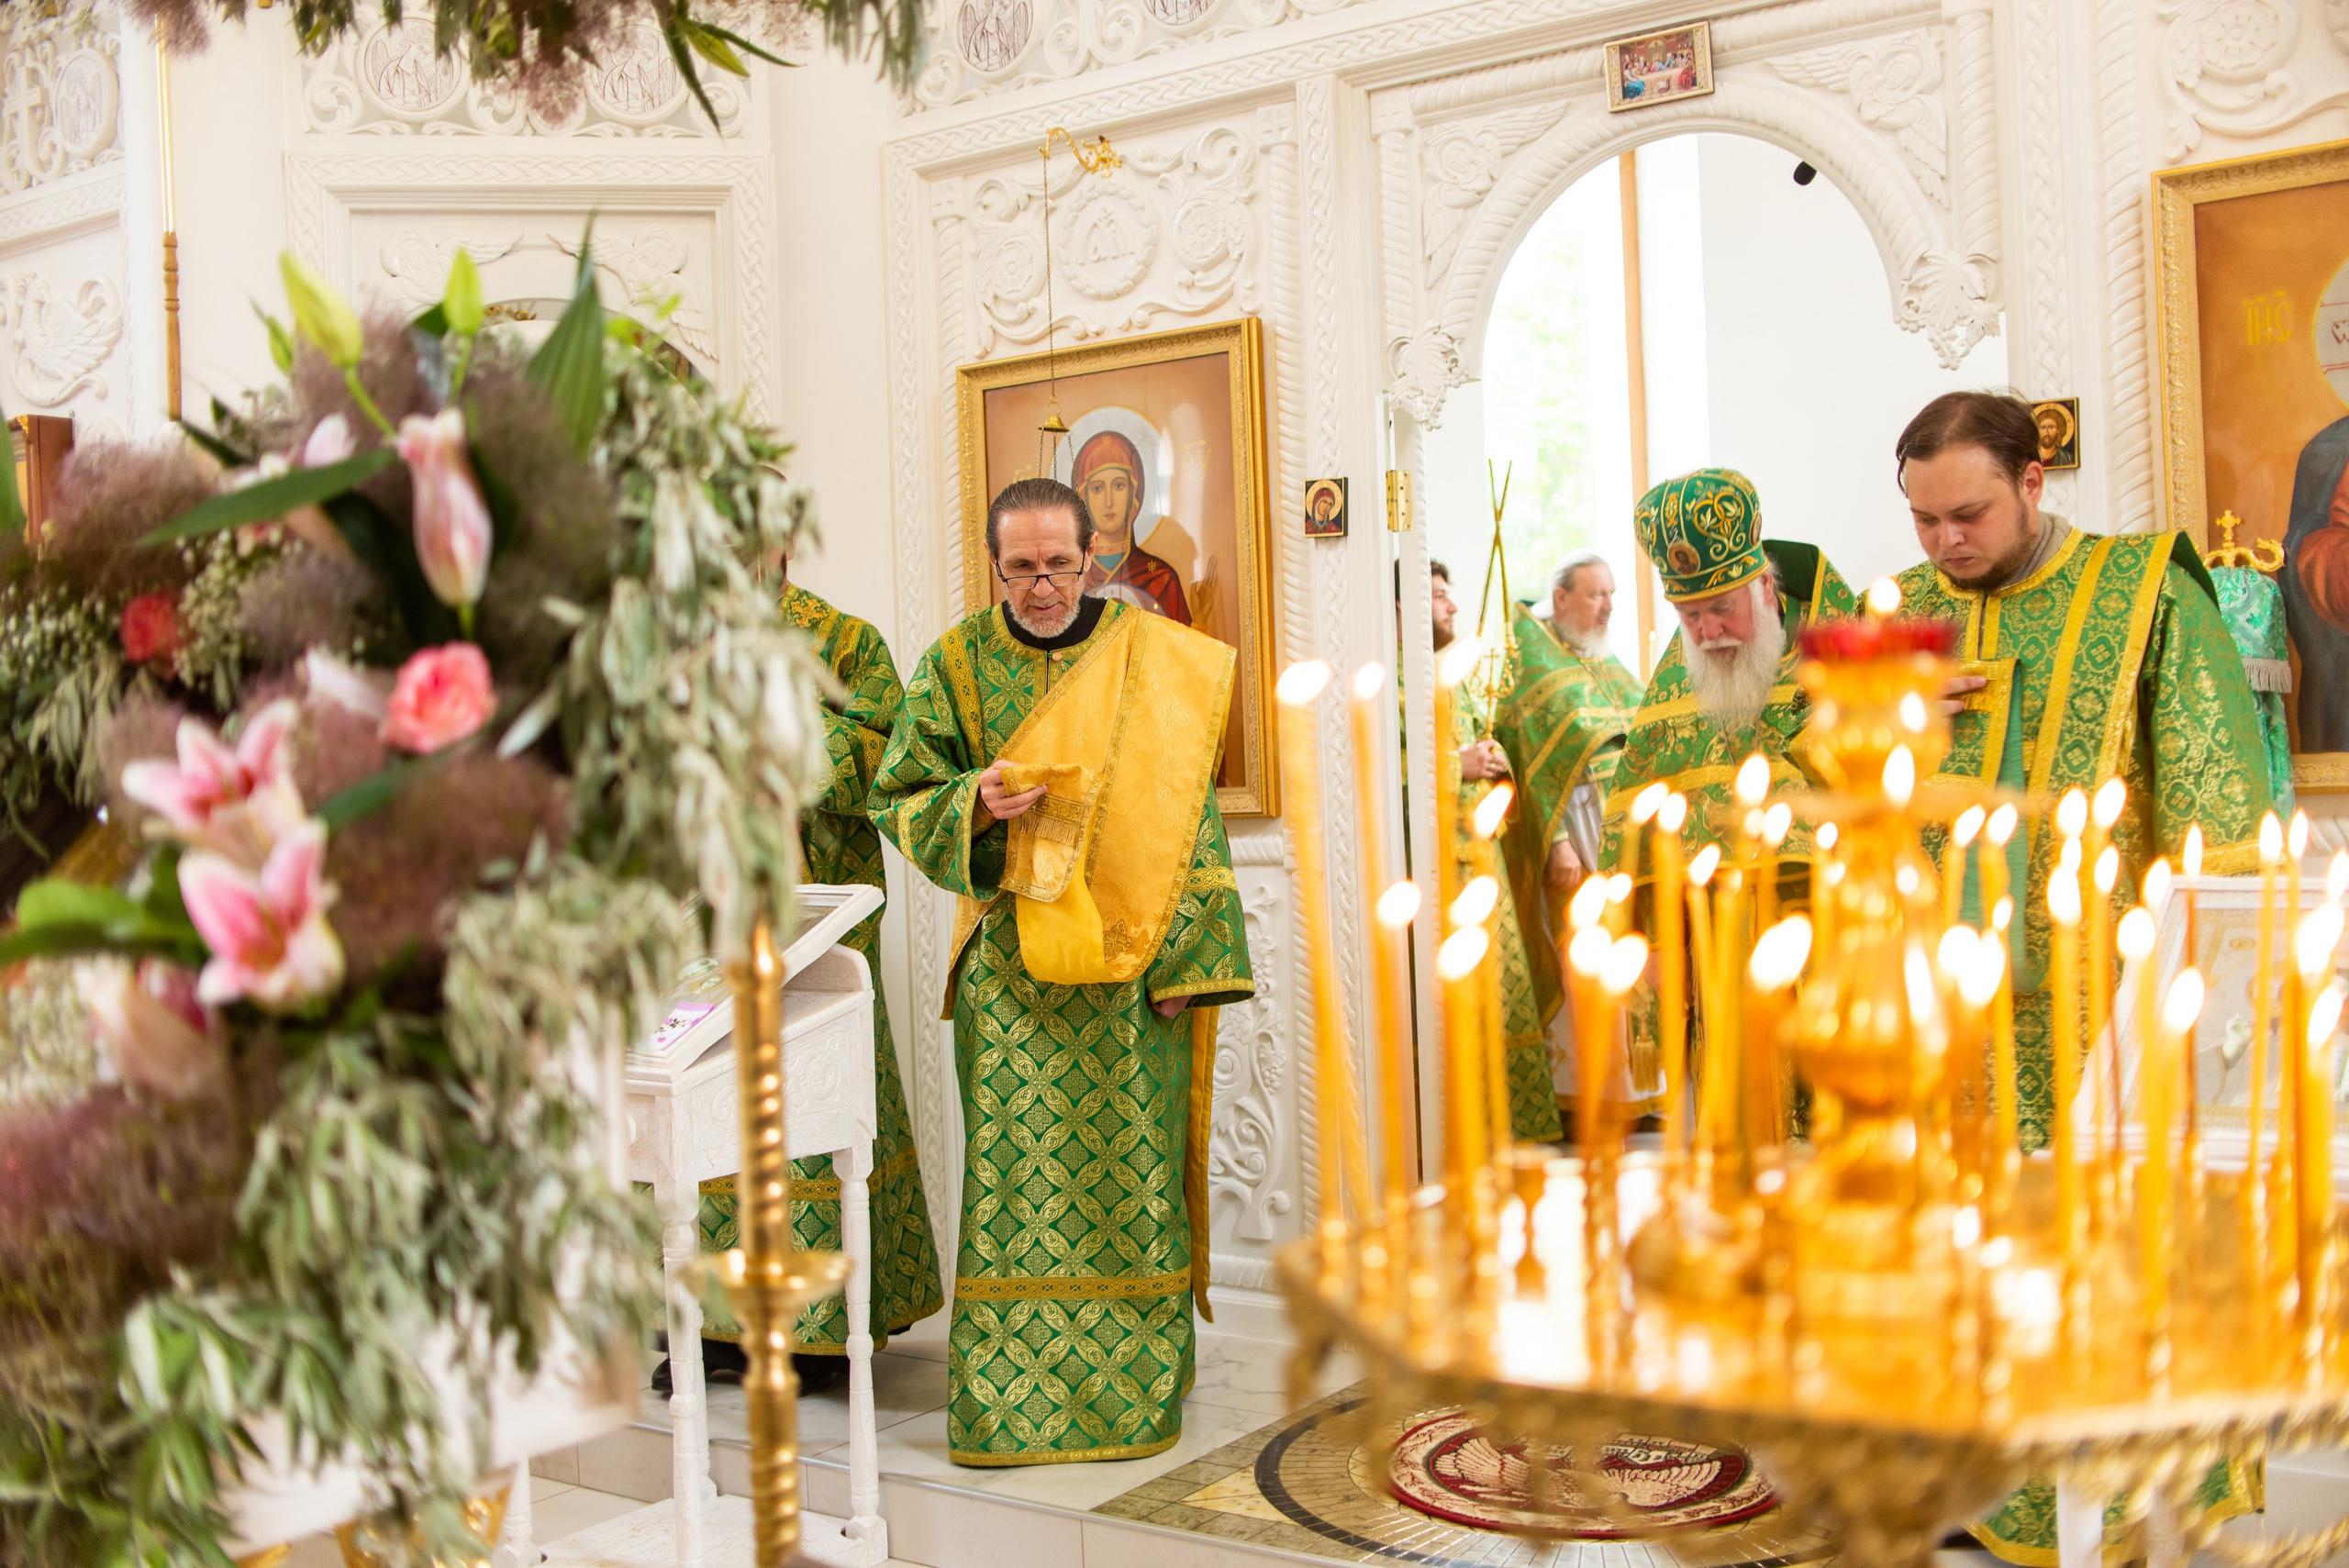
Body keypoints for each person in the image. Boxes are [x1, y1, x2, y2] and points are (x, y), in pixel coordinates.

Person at [1890, 391, 2267, 1564]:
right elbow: (1812, 783)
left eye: (1968, 513)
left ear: (2033, 480)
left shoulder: (2143, 591)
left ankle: (2108, 1503)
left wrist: (2207, 1003)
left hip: (2102, 1007)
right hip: (1939, 1012)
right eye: (1922, 519)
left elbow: (2217, 809)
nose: (1945, 541)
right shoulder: (1897, 616)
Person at [870, 476, 1252, 1466]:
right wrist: (972, 801)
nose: (1041, 586)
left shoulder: (1147, 655)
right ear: (993, 565)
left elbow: (1189, 814)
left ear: (1091, 558)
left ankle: (1135, 1388)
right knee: (1013, 1191)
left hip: (1133, 969)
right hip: (1010, 975)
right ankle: (1010, 1398)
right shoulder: (954, 664)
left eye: (1058, 565)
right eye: (1021, 568)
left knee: (1131, 1178)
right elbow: (898, 795)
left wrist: (1192, 958)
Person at [662, 560, 944, 1397]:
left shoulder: (848, 643)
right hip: (704, 917)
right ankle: (710, 1326)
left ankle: (820, 1332)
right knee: (707, 1108)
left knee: (814, 1111)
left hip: (812, 919)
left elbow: (885, 758)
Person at [1599, 470, 1855, 890]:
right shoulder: (1674, 681)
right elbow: (1634, 845)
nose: (1708, 632)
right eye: (1690, 616)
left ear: (1764, 585)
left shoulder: (1841, 652)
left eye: (1722, 608)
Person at [1489, 550, 1645, 1129]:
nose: (1607, 607)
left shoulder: (1605, 659)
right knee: (1583, 953)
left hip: (1623, 833)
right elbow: (1528, 761)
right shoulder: (1531, 663)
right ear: (1561, 598)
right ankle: (1587, 1096)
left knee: (1629, 952)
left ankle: (1639, 1091)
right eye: (1596, 594)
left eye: (1612, 595)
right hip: (1574, 831)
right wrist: (1556, 839)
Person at [1431, 561, 1562, 1141]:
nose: (1452, 606)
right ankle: (1465, 1133)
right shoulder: (1399, 679)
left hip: (1483, 857)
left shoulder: (1450, 677)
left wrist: (1490, 759)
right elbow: (1375, 770)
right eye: (1439, 596)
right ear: (1404, 604)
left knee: (1504, 993)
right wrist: (1454, 765)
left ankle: (1510, 1132)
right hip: (1442, 867)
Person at [1073, 429, 1192, 624]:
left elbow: (1182, 643)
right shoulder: (1071, 581)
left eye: (1119, 485)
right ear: (1083, 497)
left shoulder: (1161, 579)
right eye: (1097, 488)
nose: (1109, 501)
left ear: (1133, 493)